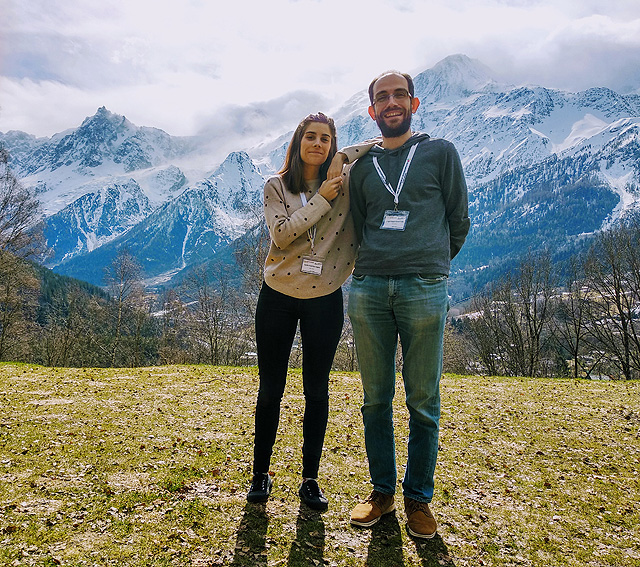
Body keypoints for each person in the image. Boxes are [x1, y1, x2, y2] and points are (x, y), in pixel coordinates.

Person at [338, 71, 470, 538]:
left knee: (423, 399)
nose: (390, 102)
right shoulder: (361, 167)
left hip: (423, 288)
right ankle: (382, 493)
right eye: (381, 97)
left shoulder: (441, 153)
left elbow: (458, 219)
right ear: (371, 111)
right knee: (375, 398)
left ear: (413, 103)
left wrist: (430, 267)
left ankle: (418, 498)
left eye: (398, 95)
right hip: (369, 288)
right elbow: (357, 223)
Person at [247, 112, 358, 511]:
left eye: (326, 139)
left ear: (332, 146)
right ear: (297, 143)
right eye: (310, 137)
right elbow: (282, 233)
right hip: (277, 293)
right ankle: (261, 472)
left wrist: (348, 157)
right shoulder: (276, 186)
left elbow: (365, 155)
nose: (317, 144)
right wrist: (323, 197)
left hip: (325, 296)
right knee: (271, 387)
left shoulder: (345, 185)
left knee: (317, 388)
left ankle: (310, 479)